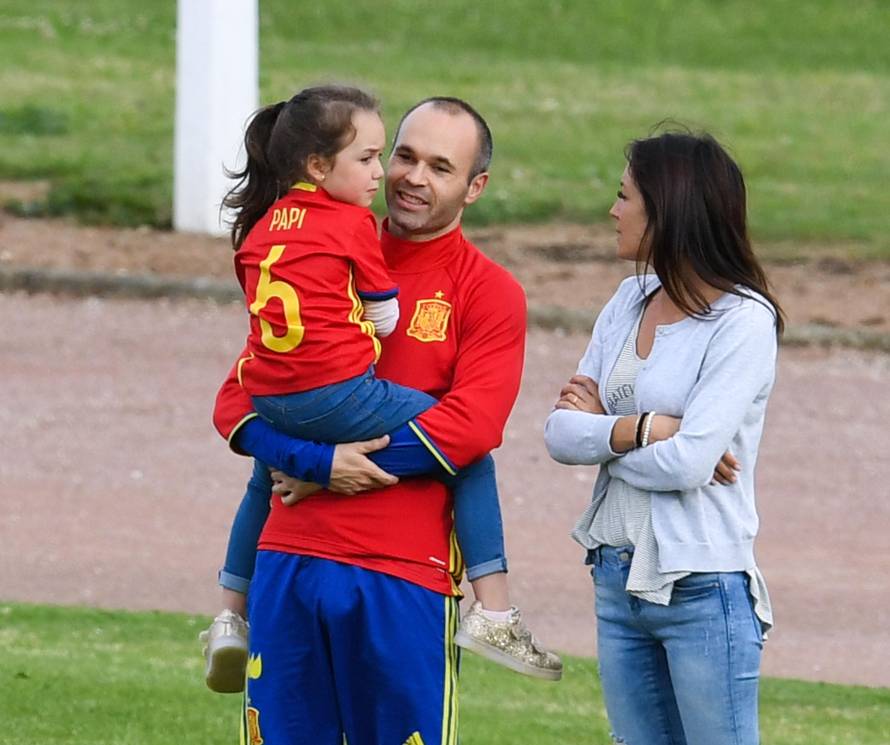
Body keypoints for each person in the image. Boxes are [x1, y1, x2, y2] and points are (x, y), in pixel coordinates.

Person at [211, 96, 561, 744]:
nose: (412, 177)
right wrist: (320, 465)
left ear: (474, 186)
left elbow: (472, 427)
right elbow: (238, 399)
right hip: (288, 562)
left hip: (403, 575)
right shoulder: (315, 252)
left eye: (440, 166)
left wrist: (339, 468)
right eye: (403, 155)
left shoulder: (489, 291)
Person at [544, 130, 783, 745]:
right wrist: (647, 430)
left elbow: (687, 465)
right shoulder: (628, 300)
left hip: (702, 586)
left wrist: (610, 441)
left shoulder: (744, 322)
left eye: (625, 198)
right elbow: (560, 433)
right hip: (615, 579)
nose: (612, 212)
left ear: (669, 212)